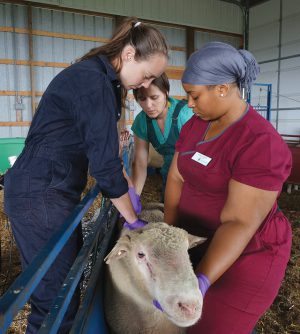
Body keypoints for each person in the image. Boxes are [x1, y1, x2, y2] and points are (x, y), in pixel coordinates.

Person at [4, 17, 168, 333]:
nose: (147, 84)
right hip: (41, 193)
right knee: (55, 303)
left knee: (66, 286)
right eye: (147, 75)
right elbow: (105, 168)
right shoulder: (94, 85)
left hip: (50, 190)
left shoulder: (97, 79)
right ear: (130, 54)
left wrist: (127, 192)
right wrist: (132, 220)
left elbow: (105, 153)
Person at [164, 41, 292, 334]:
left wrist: (202, 281)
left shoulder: (260, 143)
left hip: (246, 256)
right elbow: (176, 177)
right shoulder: (195, 125)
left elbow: (239, 222)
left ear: (222, 88)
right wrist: (171, 241)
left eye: (194, 96)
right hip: (195, 241)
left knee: (211, 327)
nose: (189, 104)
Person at [130, 73, 194, 203]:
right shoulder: (142, 121)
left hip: (194, 178)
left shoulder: (185, 114)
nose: (148, 105)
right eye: (142, 99)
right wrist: (134, 198)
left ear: (165, 92)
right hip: (168, 176)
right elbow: (140, 163)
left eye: (154, 97)